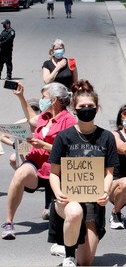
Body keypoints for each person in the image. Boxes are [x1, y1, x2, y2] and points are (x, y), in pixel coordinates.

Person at [48, 80, 119, 266]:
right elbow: (54, 174)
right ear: (74, 108)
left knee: (86, 261)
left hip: (93, 203)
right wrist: (58, 193)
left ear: (97, 109)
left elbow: (108, 173)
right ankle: (68, 256)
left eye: (90, 106)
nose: (86, 109)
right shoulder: (64, 137)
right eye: (82, 106)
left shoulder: (107, 137)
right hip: (68, 200)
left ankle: (71, 243)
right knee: (74, 211)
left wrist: (105, 192)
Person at [1, 82, 76, 240]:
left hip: (57, 170)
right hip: (36, 165)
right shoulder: (45, 117)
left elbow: (70, 150)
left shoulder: (69, 121)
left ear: (54, 100)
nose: (42, 100)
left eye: (44, 97)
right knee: (20, 173)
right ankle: (9, 223)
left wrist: (46, 145)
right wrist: (21, 97)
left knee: (64, 211)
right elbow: (32, 118)